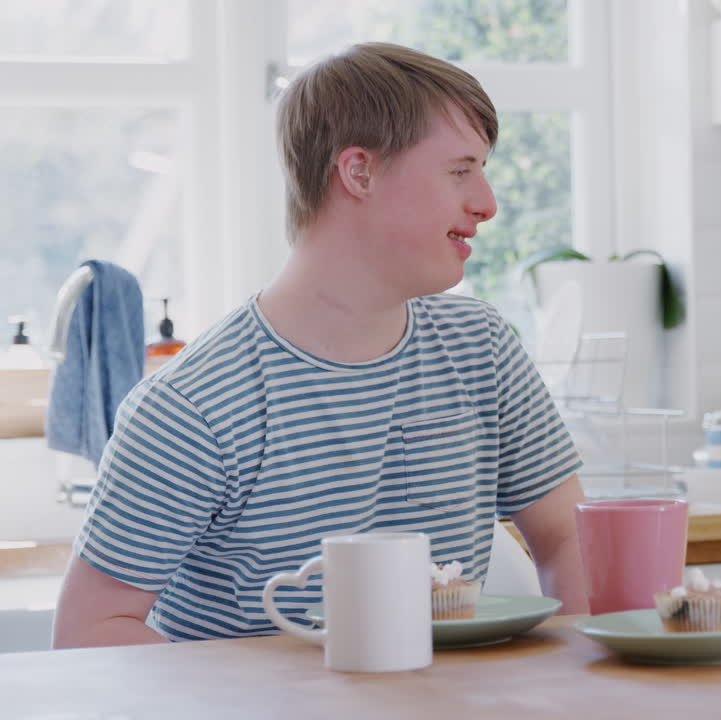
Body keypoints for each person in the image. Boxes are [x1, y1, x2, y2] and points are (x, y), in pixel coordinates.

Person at [53, 42, 588, 647]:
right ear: (358, 172)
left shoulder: (481, 350)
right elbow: (87, 634)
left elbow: (571, 537)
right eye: (460, 170)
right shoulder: (195, 408)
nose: (487, 203)